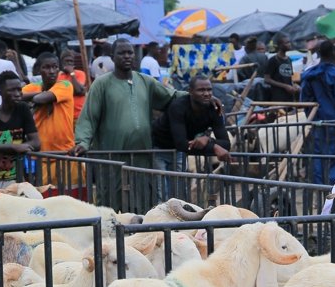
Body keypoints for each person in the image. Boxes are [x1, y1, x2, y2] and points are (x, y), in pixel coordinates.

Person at [73, 39, 178, 206]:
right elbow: (88, 117)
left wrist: (201, 98)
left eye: (130, 52)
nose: (127, 56)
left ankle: (142, 231)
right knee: (111, 202)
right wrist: (83, 142)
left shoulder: (146, 81)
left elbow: (172, 96)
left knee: (144, 200)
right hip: (112, 157)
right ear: (113, 58)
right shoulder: (102, 84)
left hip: (142, 157)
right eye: (122, 53)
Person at [151, 75, 230, 197]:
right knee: (162, 192)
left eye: (209, 90)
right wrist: (214, 147)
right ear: (190, 91)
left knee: (179, 192)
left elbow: (226, 143)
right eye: (201, 90)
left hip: (180, 150)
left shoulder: (214, 108)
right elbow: (181, 143)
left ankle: (179, 216)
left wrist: (208, 139)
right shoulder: (178, 107)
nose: (206, 93)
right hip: (159, 147)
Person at [300, 41, 335, 184]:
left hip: (317, 121)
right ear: (333, 53)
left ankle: (320, 187)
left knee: (319, 154)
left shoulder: (308, 74)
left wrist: (311, 117)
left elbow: (304, 99)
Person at [23, 54, 77, 188]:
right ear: (38, 70)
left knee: (72, 198)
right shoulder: (33, 87)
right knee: (46, 199)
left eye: (55, 67)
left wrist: (37, 97)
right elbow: (18, 96)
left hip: (65, 154)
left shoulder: (65, 85)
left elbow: (41, 99)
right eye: (46, 67)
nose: (52, 71)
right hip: (42, 157)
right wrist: (39, 95)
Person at [265, 33, 298, 103]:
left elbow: (289, 77)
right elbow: (267, 79)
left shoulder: (289, 59)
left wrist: (294, 86)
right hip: (278, 97)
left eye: (289, 42)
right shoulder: (273, 60)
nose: (289, 44)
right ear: (280, 45)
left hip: (289, 97)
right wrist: (285, 86)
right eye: (286, 43)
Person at [56, 50, 88, 120]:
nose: (69, 63)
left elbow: (78, 90)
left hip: (79, 116)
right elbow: (79, 91)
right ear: (62, 62)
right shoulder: (58, 76)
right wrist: (80, 91)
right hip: (65, 117)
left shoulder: (80, 73)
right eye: (67, 61)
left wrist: (72, 73)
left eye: (71, 61)